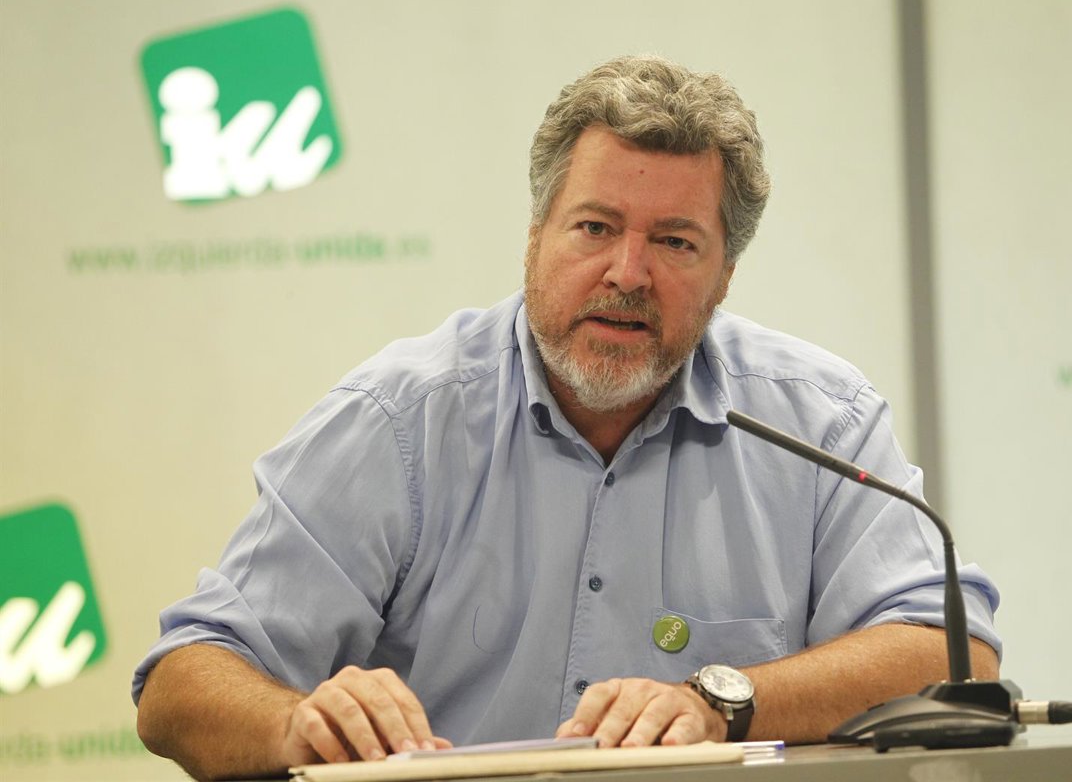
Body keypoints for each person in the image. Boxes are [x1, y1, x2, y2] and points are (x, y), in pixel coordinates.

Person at [134, 55, 1002, 781]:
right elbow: (181, 685)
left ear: (724, 277)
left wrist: (723, 700)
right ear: (536, 235)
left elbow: (952, 655)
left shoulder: (818, 423)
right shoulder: (402, 422)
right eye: (594, 227)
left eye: (675, 241)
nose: (627, 272)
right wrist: (294, 725)